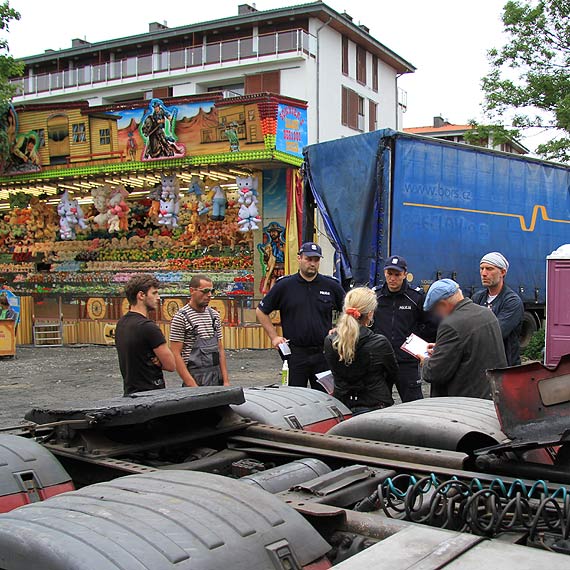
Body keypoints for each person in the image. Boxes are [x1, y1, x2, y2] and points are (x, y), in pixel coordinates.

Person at [256, 242, 345, 389]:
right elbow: (261, 311)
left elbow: (349, 311)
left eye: (316, 260)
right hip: (295, 354)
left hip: (323, 353)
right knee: (295, 398)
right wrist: (274, 337)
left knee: (325, 398)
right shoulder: (285, 285)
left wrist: (340, 328)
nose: (312, 263)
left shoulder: (331, 285)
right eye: (308, 259)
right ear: (299, 258)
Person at [420, 279, 507, 399]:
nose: (437, 315)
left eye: (436, 310)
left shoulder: (450, 324)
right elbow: (473, 348)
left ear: (443, 304)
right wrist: (441, 348)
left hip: (464, 404)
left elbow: (435, 373)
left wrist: (425, 361)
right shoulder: (487, 313)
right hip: (493, 396)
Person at [372, 255, 436, 402]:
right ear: (384, 273)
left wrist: (419, 346)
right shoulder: (376, 296)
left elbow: (431, 324)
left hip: (407, 362)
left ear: (405, 274)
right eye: (389, 274)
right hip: (381, 361)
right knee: (378, 405)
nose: (392, 278)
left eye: (397, 275)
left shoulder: (416, 297)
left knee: (414, 405)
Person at [324, 287, 398, 414]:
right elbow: (393, 373)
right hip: (374, 404)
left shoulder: (331, 341)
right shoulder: (379, 343)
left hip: (343, 405)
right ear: (370, 314)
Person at [115, 275, 176, 397]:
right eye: (154, 293)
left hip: (130, 393)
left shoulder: (121, 324)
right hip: (151, 394)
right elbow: (171, 365)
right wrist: (159, 361)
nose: (158, 298)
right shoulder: (148, 327)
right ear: (141, 295)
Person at [169, 275, 230, 387]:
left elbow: (220, 349)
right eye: (205, 291)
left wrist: (225, 381)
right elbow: (175, 354)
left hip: (217, 378)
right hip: (195, 379)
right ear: (192, 291)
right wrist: (192, 386)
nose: (209, 295)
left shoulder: (214, 316)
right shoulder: (181, 317)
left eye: (212, 291)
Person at [472, 252, 524, 366]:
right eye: (482, 268)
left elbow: (496, 333)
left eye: (490, 269)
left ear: (503, 272)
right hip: (480, 365)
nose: (484, 273)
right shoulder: (477, 297)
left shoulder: (512, 301)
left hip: (504, 366)